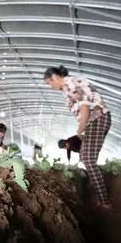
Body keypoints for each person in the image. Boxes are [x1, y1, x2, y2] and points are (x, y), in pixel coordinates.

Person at [45, 65, 112, 211]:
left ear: (55, 78)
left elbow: (85, 107)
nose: (50, 87)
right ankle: (97, 193)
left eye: (49, 83)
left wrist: (80, 129)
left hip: (97, 119)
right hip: (94, 121)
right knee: (86, 158)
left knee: (87, 159)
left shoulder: (71, 84)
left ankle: (105, 202)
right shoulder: (66, 89)